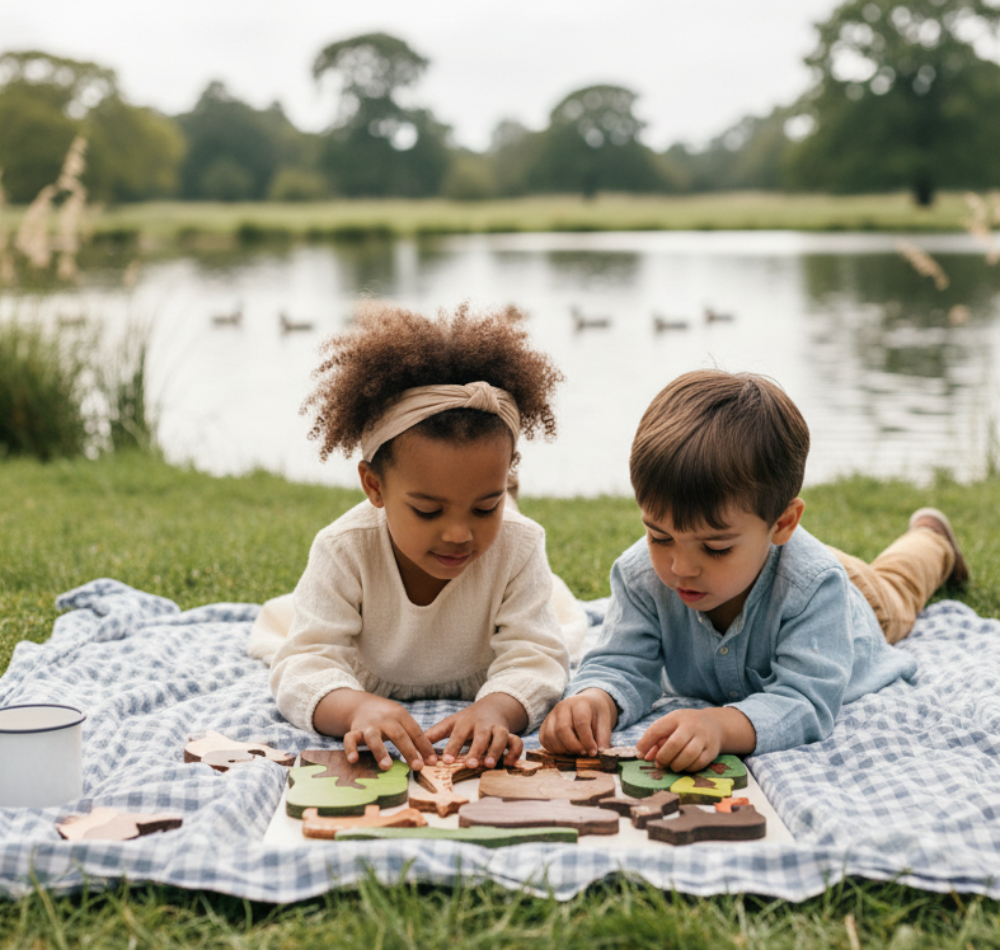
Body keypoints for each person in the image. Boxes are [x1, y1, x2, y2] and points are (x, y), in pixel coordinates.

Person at [540, 369, 968, 771]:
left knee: (898, 587)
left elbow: (805, 700)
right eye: (659, 536)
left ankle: (931, 538)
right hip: (778, 561)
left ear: (782, 523)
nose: (680, 567)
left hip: (862, 603)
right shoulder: (642, 576)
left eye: (715, 547)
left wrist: (721, 726)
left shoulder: (816, 588)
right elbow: (621, 661)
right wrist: (595, 698)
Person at [251, 302, 578, 774]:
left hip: (481, 667)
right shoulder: (344, 549)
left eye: (487, 505)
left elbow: (537, 657)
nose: (459, 533)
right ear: (375, 486)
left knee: (549, 606)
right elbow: (304, 663)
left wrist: (496, 709)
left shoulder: (518, 545)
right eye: (428, 509)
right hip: (376, 670)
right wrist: (355, 708)